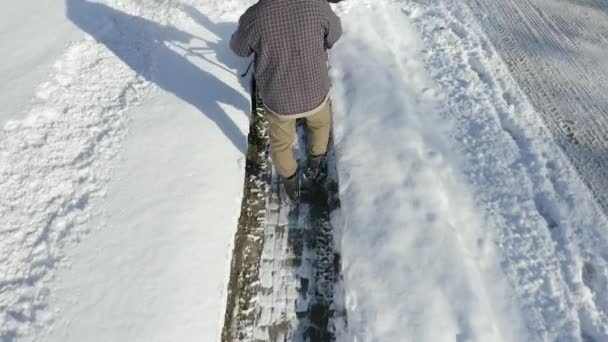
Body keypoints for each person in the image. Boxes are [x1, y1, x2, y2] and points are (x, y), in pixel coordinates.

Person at [230, 0, 343, 204]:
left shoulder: (255, 15)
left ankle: (290, 182)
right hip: (315, 90)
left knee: (281, 142)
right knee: (320, 124)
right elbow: (335, 33)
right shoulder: (316, 5)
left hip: (279, 98)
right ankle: (316, 161)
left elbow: (238, 49)